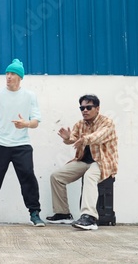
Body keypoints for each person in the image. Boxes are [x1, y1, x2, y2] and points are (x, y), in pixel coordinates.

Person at [0, 59, 45, 227]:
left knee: (28, 177)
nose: (8, 76)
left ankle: (34, 213)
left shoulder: (29, 96)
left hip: (21, 144)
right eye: (7, 73)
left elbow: (36, 121)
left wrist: (26, 124)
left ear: (20, 77)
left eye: (13, 74)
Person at [47, 94, 118, 230]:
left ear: (97, 108)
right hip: (83, 161)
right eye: (82, 108)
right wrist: (67, 139)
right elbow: (73, 138)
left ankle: (89, 217)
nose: (84, 110)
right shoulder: (80, 124)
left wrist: (84, 139)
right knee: (57, 177)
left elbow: (98, 136)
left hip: (103, 162)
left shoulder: (107, 122)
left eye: (88, 107)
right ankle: (63, 214)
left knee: (90, 176)